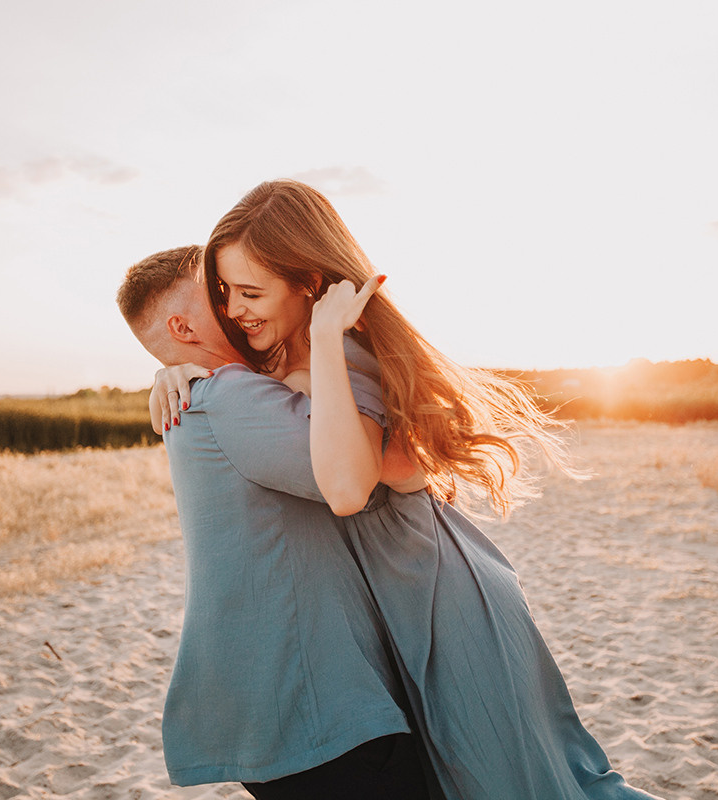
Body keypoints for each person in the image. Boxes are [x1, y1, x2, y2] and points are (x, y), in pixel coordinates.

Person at [152, 180, 665, 799]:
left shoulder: (347, 355)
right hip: (405, 597)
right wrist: (175, 368)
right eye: (225, 292)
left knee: (536, 786)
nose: (234, 310)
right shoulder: (289, 357)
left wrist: (323, 343)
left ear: (310, 285)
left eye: (251, 292)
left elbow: (348, 486)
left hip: (443, 602)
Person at [116, 246, 433, 800]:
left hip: (269, 710)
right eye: (219, 293)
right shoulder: (231, 397)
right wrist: (328, 352)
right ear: (181, 326)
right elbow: (387, 472)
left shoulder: (201, 397)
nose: (236, 305)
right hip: (317, 708)